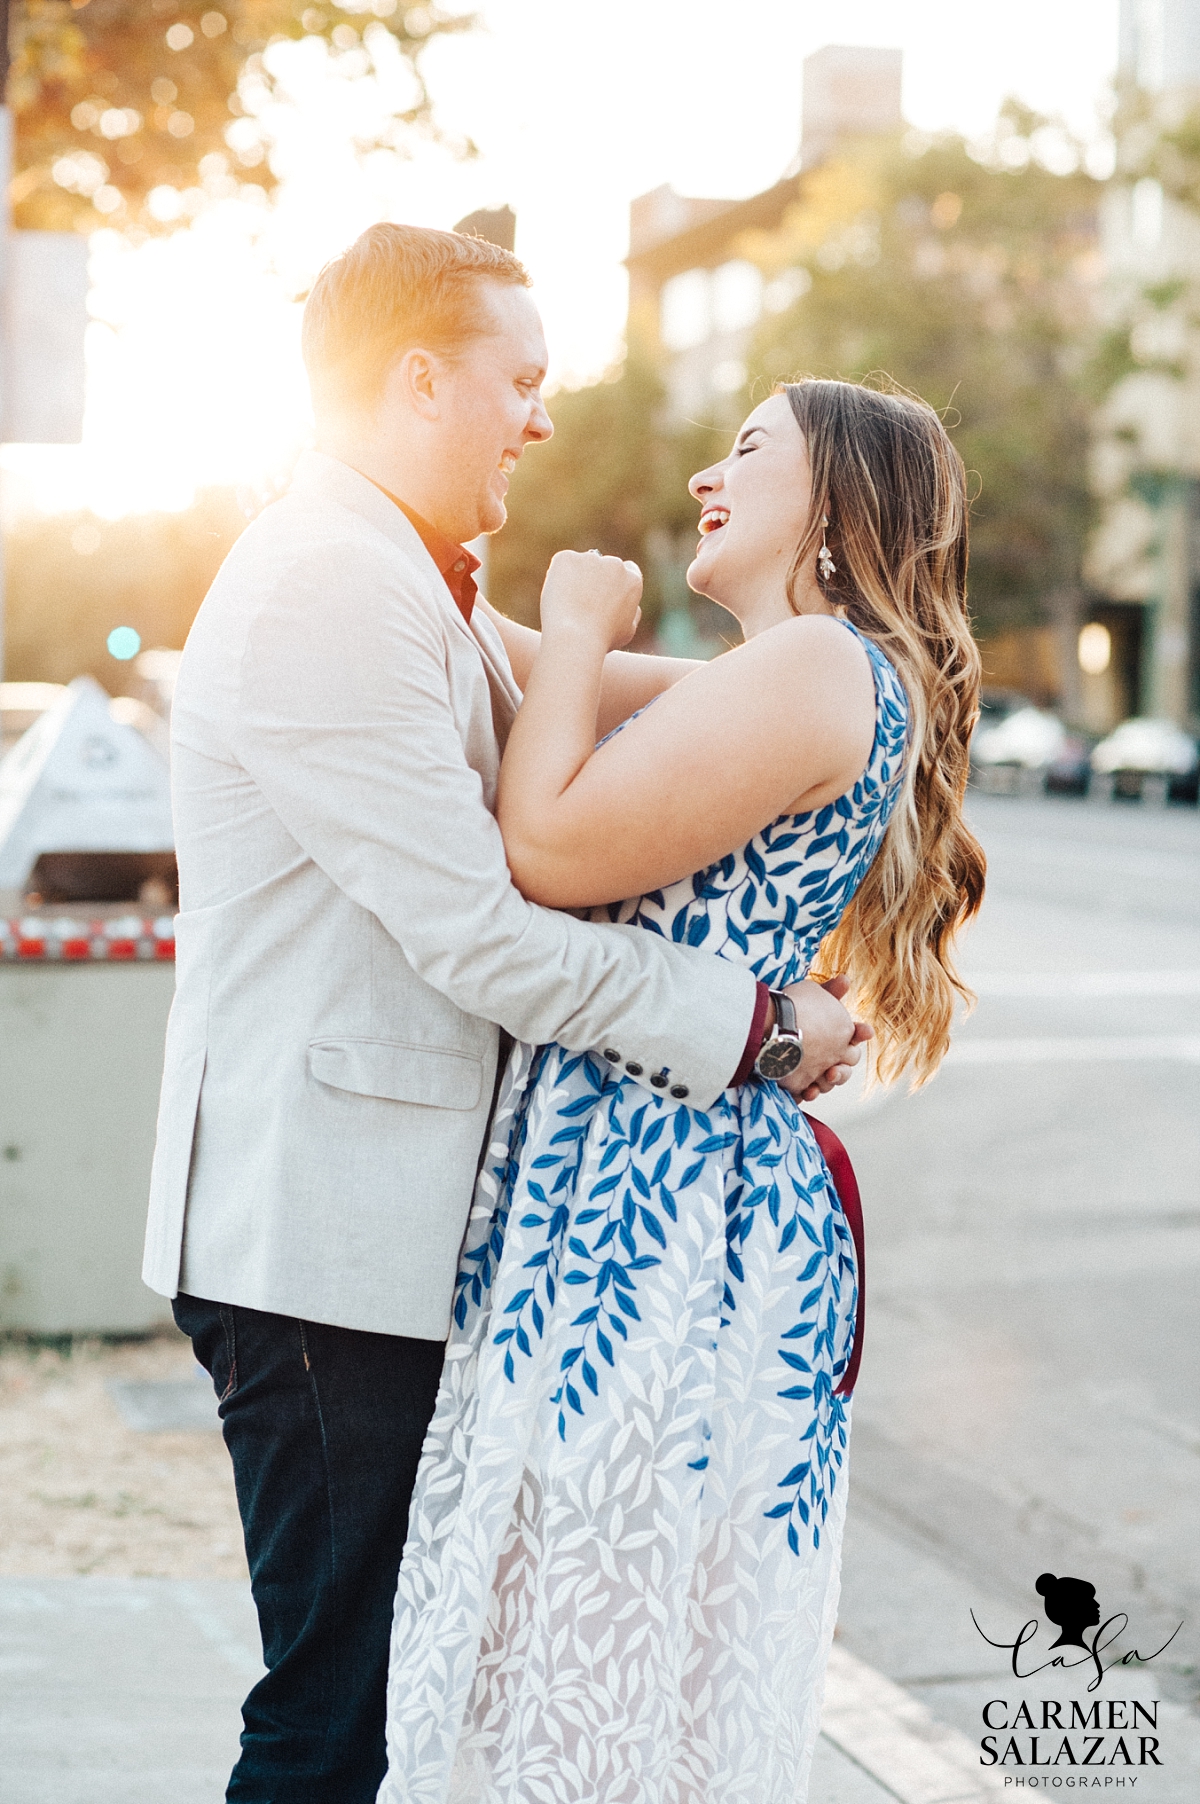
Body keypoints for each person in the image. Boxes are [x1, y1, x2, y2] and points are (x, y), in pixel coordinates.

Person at [141, 224, 868, 1804]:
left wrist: (853, 698)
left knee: (381, 1703)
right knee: (335, 1718)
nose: (541, 420)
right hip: (321, 1239)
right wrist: (746, 1026)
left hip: (369, 1232)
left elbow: (636, 706)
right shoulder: (333, 583)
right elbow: (481, 930)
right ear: (418, 382)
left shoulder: (402, 571)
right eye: (520, 382)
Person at [380, 378, 987, 1804]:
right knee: (594, 1648)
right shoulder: (802, 672)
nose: (713, 475)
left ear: (830, 504)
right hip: (661, 1177)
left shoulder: (819, 669)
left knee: (592, 1647)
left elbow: (551, 847)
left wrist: (587, 624)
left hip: (666, 1207)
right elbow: (524, 670)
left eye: (748, 450)